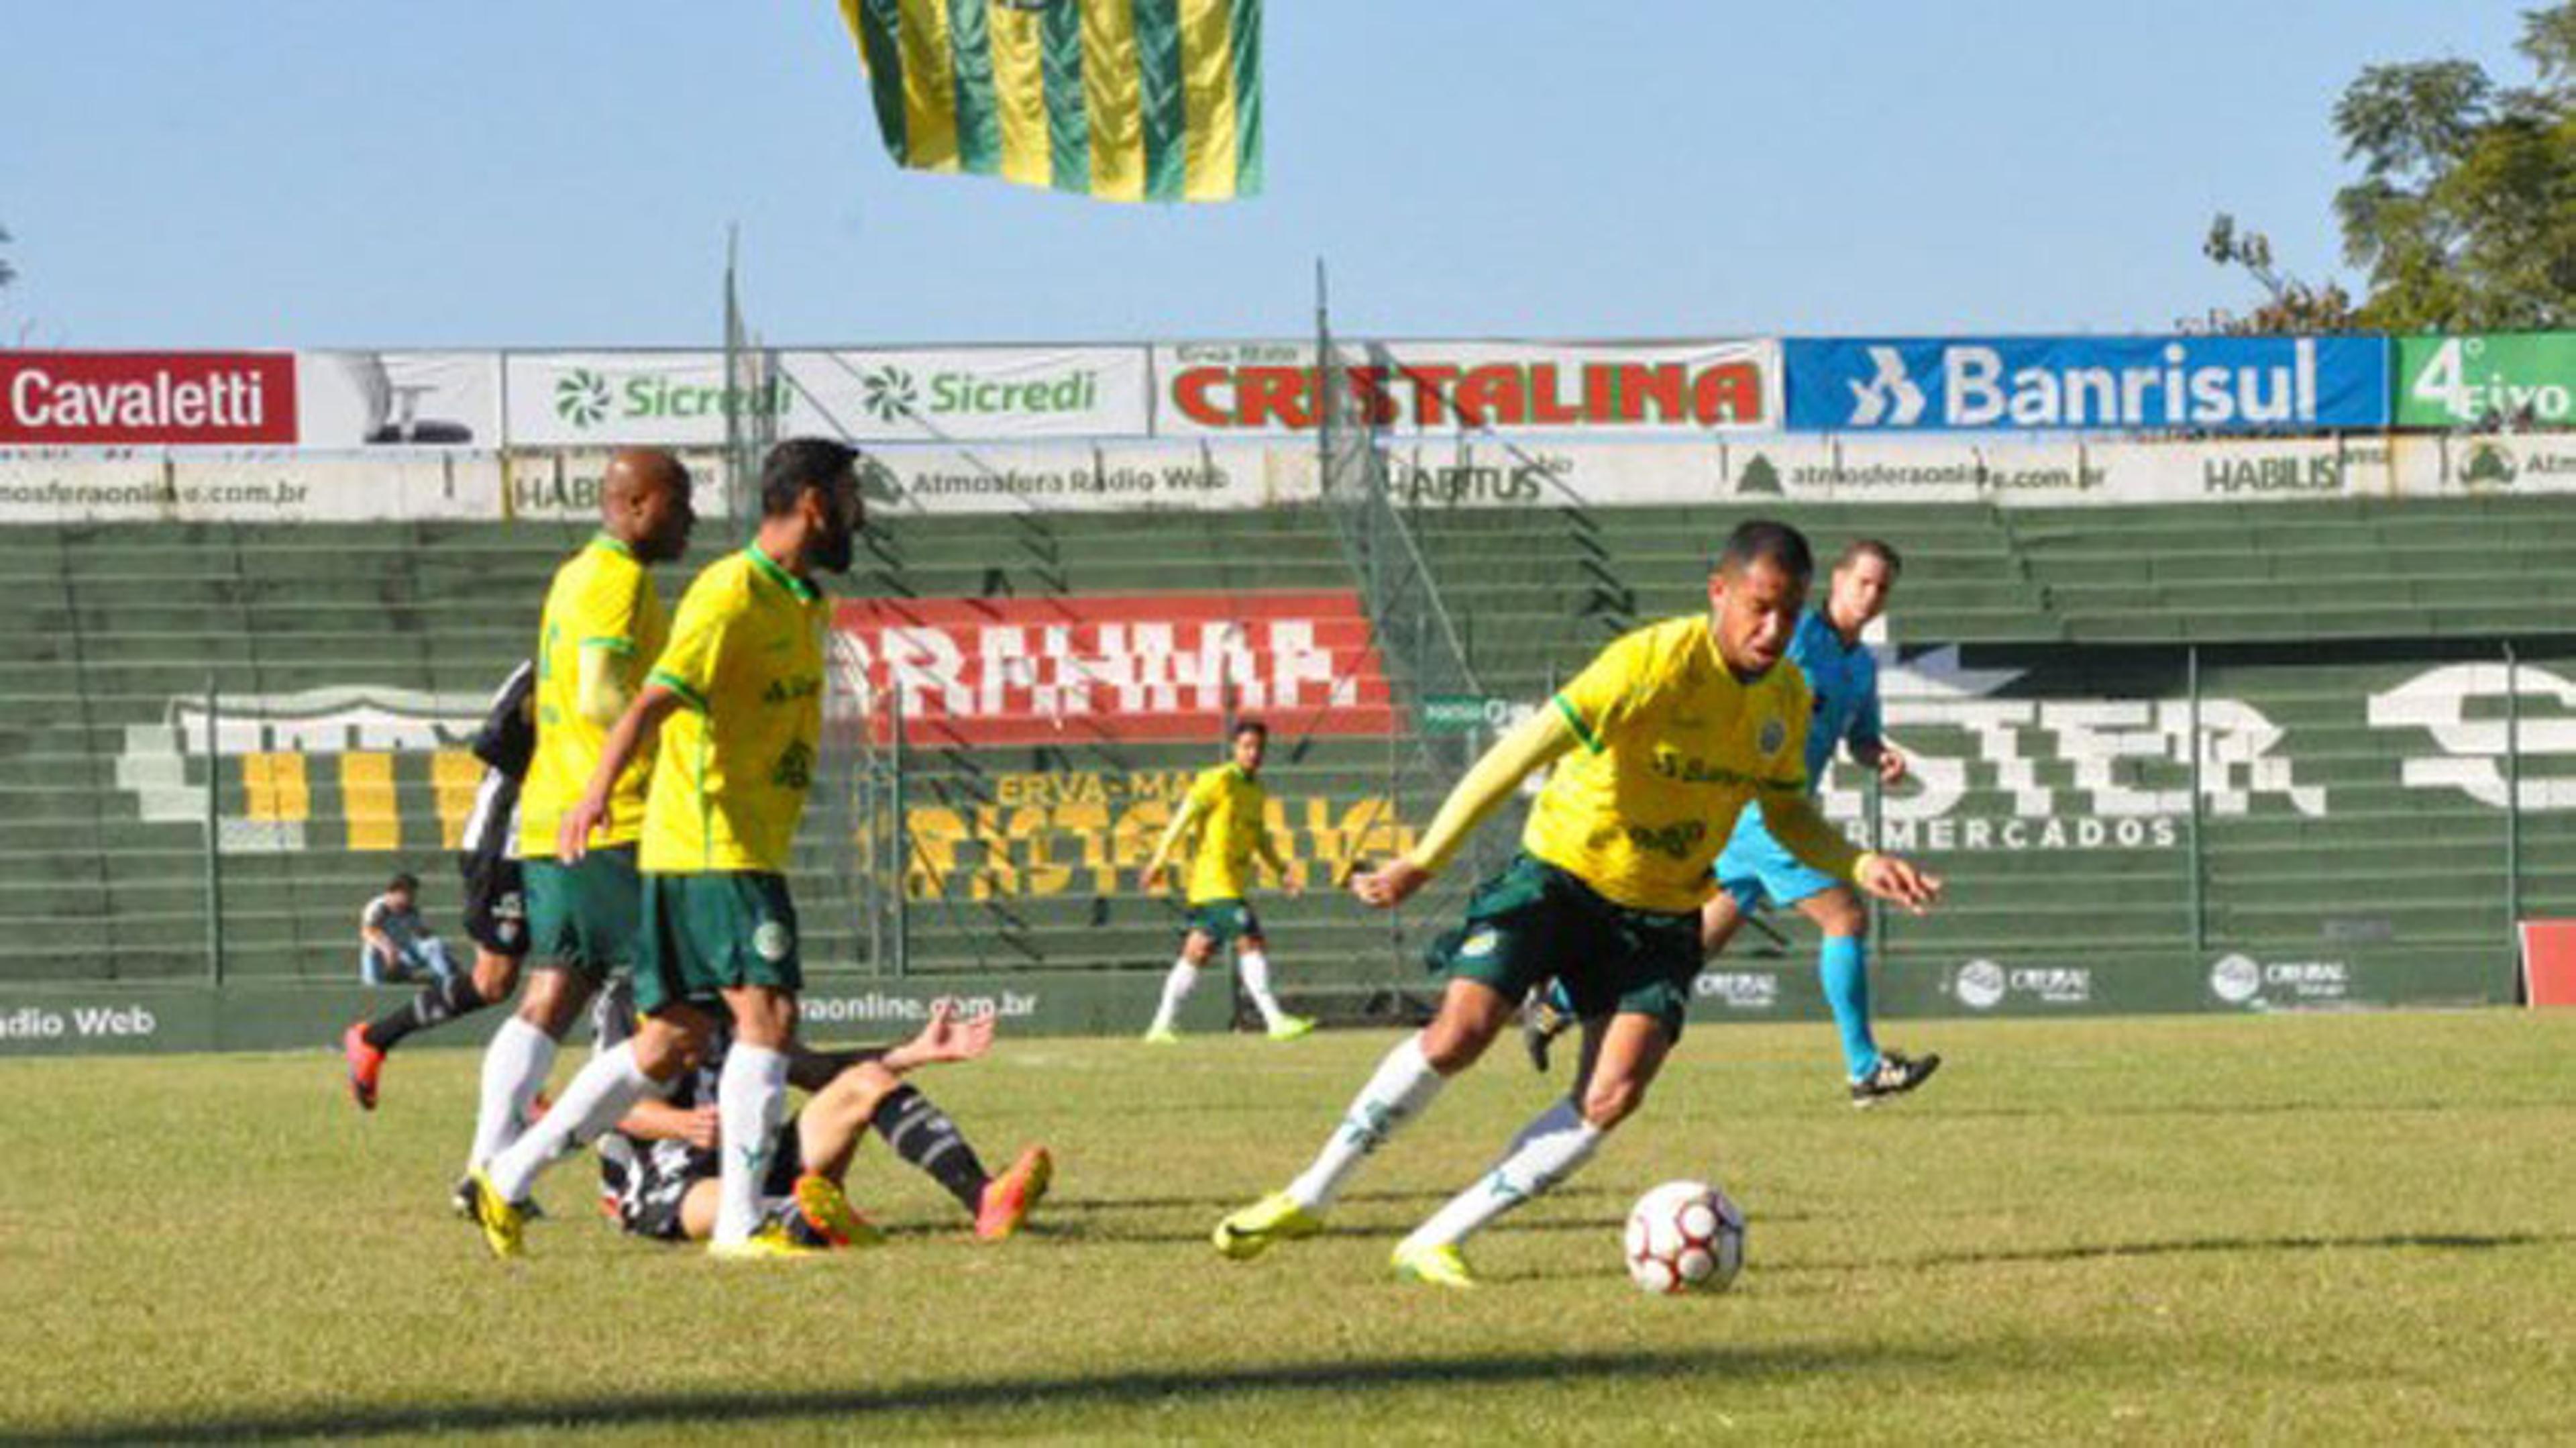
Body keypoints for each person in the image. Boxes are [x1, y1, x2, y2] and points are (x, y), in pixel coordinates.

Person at [1210, 520, 1943, 1289]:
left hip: (1662, 913)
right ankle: (1309, 1193)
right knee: (1461, 1032)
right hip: (1563, 875)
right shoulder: (1650, 663)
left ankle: (1434, 1240)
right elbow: (1516, 753)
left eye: (1789, 613)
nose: (1774, 629)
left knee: (1613, 1093)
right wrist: (1425, 859)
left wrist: (1860, 860)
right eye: (1759, 607)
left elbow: (1786, 810)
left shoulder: (1789, 696)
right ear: (1718, 593)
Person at [466, 437, 871, 1260]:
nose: (862, 516)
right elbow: (646, 700)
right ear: (816, 505)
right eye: (852, 499)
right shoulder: (727, 593)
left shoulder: (801, 599)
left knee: (671, 1037)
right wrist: (596, 794)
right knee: (768, 1015)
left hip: (724, 839)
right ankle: (740, 1223)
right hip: (711, 841)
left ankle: (505, 1176)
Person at [1524, 538, 1940, 1107]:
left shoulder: (1861, 666)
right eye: (1862, 582)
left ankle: (1561, 1003)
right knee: (1845, 916)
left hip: (1777, 810)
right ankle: (1864, 1067)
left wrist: (1879, 756)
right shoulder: (1793, 638)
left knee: (1689, 950)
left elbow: (1860, 737)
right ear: (1837, 582)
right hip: (1755, 811)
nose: (1871, 596)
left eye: (1883, 587)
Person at [461, 448, 695, 1192]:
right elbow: (599, 693)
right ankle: (513, 1174)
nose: (688, 518)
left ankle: (483, 1164)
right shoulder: (617, 579)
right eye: (676, 503)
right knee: (696, 1009)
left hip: (553, 815)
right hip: (613, 818)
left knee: (553, 992)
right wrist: (665, 733)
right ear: (635, 506)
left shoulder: (573, 574)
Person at [596, 990, 1051, 1246]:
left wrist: (916, 1052)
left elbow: (815, 1071)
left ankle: (985, 1197)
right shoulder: (630, 997)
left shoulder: (735, 994)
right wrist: (682, 1125)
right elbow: (611, 1105)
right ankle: (808, 1221)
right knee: (732, 1202)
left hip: (754, 1156)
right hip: (666, 1179)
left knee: (867, 1080)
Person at [340, 660, 536, 1113]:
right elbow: (492, 740)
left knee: (576, 968)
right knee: (493, 982)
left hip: (560, 843)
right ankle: (374, 1038)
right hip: (507, 843)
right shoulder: (541, 670)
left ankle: (532, 1082)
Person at [1139, 720, 1313, 1042]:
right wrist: (1158, 860)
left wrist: (1281, 870)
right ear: (1235, 748)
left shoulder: (1257, 789)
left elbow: (1259, 836)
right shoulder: (1216, 780)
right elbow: (1183, 818)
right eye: (1247, 746)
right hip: (1215, 885)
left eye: (1259, 747)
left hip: (1224, 887)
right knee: (1250, 940)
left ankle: (1161, 1025)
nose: (1253, 753)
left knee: (1197, 952)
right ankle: (1275, 1021)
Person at [357, 873, 459, 989]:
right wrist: (387, 949)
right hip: (381, 958)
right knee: (371, 953)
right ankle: (379, 984)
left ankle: (447, 983)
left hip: (403, 956)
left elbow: (424, 934)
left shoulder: (411, 910)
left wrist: (444, 952)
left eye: (412, 894)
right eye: (406, 893)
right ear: (393, 893)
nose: (410, 898)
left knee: (434, 945)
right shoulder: (378, 907)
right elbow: (368, 932)